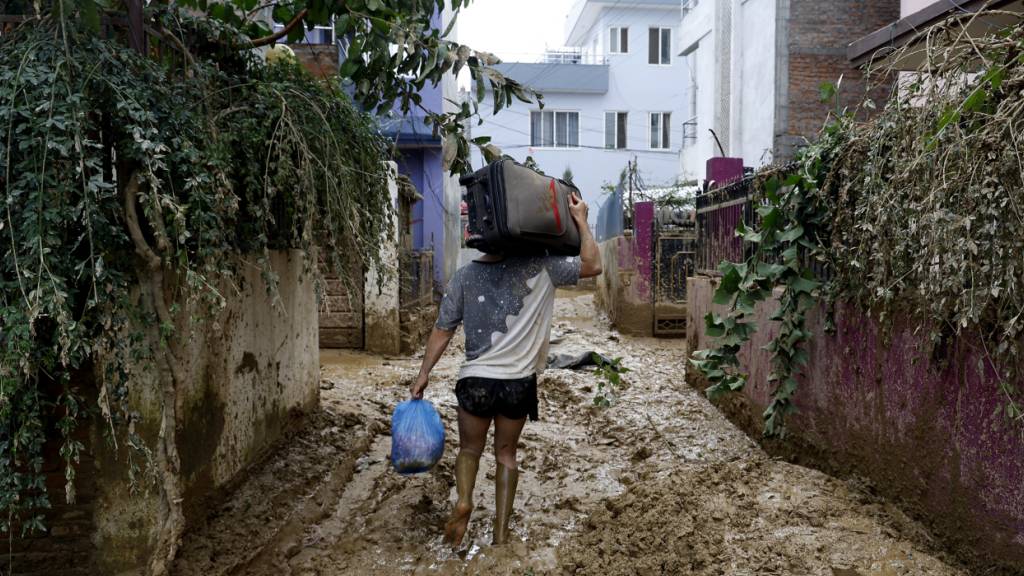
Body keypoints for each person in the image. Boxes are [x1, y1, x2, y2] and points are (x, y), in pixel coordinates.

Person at [410, 192, 602, 547]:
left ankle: (464, 501)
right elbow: (593, 265)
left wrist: (424, 373)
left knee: (469, 450)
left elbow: (443, 329)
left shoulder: (465, 275)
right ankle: (500, 535)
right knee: (506, 454)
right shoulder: (547, 266)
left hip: (475, 382)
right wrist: (582, 221)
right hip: (517, 384)